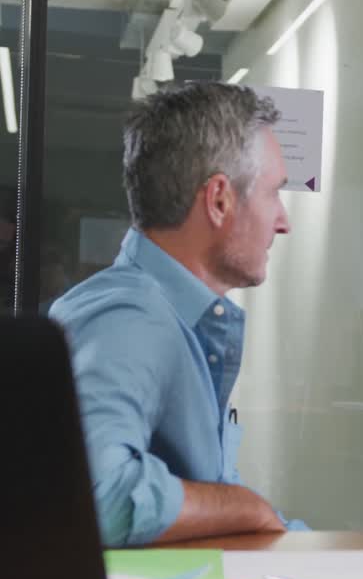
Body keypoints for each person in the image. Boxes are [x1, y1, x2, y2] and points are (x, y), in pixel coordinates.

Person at [49, 82, 306, 546]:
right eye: (273, 194)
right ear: (219, 200)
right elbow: (93, 498)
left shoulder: (169, 317)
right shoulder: (130, 318)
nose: (284, 221)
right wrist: (245, 507)